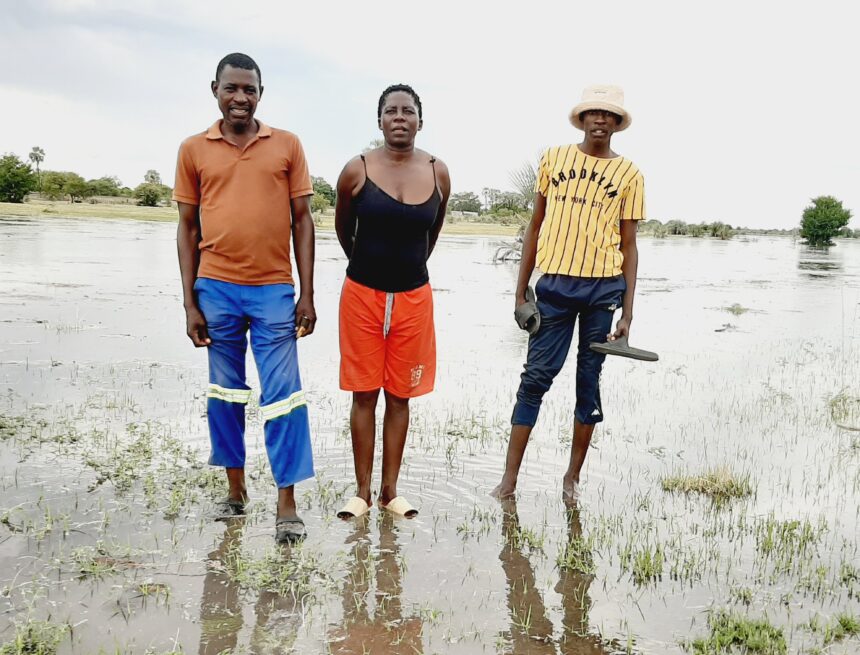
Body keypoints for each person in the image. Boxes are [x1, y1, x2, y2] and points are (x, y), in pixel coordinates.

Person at [174, 52, 317, 543]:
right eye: (232, 88)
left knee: (284, 396)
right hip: (215, 289)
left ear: (261, 93)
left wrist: (308, 294)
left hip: (275, 289)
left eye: (249, 89)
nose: (241, 98)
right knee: (226, 393)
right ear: (215, 88)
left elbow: (303, 220)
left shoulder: (287, 145)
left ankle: (287, 504)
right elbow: (187, 226)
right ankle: (235, 493)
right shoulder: (194, 149)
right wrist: (190, 302)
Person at [492, 85, 646, 502]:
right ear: (582, 119)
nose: (600, 120)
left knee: (588, 381)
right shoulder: (554, 160)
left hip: (602, 290)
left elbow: (629, 245)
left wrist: (627, 313)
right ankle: (509, 481)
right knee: (535, 379)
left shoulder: (630, 175)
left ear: (616, 124)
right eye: (593, 112)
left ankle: (571, 479)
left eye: (608, 115)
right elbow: (536, 224)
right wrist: (520, 291)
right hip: (555, 287)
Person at [333, 84, 450, 519]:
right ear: (379, 120)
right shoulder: (356, 170)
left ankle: (390, 491)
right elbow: (344, 230)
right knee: (364, 393)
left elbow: (431, 233)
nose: (399, 117)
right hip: (361, 293)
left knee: (400, 395)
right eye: (390, 111)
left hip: (414, 297)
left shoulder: (439, 172)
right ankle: (361, 492)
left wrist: (406, 273)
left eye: (408, 111)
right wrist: (369, 269)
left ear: (421, 119)